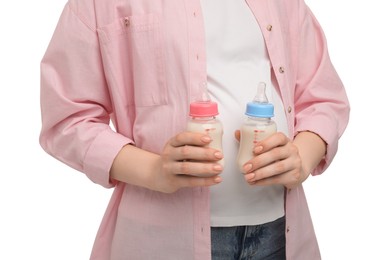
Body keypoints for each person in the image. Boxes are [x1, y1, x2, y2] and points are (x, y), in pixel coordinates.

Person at [39, 0, 350, 259]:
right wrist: (153, 170)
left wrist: (302, 156)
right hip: (163, 242)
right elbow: (68, 117)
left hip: (280, 234)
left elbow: (322, 97)